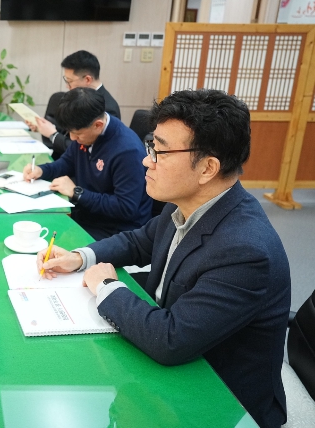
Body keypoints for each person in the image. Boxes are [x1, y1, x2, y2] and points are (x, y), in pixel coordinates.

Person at [38, 89, 290, 428]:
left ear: (207, 168)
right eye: (151, 147)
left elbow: (171, 339)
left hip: (219, 400)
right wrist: (79, 257)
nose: (147, 161)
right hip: (175, 373)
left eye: (160, 151)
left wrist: (107, 285)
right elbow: (138, 241)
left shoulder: (245, 251)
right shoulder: (186, 201)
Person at [23, 87, 151, 240]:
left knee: (47, 243)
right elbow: (67, 162)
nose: (73, 138)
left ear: (98, 125)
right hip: (88, 215)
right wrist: (41, 170)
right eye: (70, 132)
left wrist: (77, 193)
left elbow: (125, 207)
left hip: (117, 231)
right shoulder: (86, 131)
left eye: (77, 134)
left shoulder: (127, 151)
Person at [27, 51, 122, 159]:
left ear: (87, 79)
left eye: (70, 81)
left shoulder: (107, 108)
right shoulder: (80, 98)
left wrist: (52, 134)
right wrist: (43, 127)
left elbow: (87, 150)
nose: (67, 86)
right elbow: (71, 131)